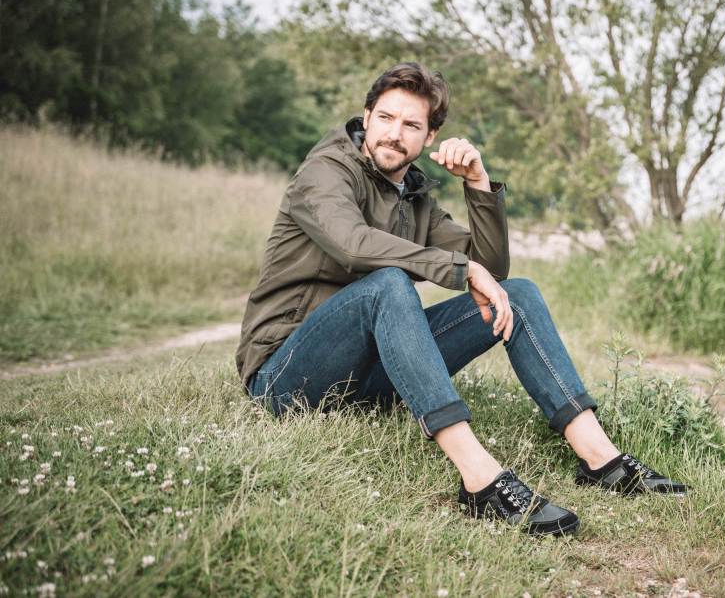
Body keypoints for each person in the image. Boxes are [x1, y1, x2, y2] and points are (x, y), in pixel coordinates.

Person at [236, 62, 687, 536]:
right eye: (385, 118)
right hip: (286, 374)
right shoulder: (325, 171)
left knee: (519, 294)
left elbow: (492, 270)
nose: (394, 134)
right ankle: (480, 480)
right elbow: (351, 242)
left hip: (364, 382)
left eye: (411, 125)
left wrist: (477, 182)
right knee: (388, 284)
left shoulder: (413, 199)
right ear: (366, 116)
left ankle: (601, 460)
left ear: (429, 136)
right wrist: (459, 269)